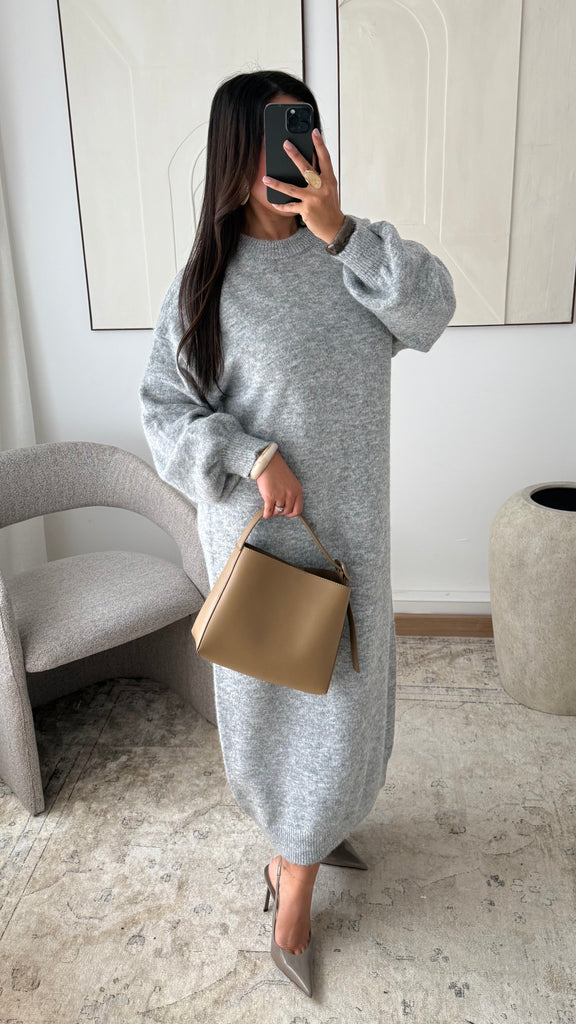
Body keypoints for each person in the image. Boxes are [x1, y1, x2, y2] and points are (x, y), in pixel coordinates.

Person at [139, 69, 456, 998]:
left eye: (303, 135)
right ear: (237, 156)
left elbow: (433, 312)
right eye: (272, 142)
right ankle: (292, 885)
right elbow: (163, 412)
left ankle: (309, 836)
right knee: (280, 717)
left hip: (352, 538)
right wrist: (250, 455)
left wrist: (341, 231)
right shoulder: (205, 284)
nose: (292, 158)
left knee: (349, 705)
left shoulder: (354, 257)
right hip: (262, 543)